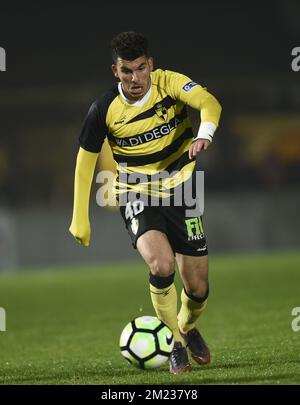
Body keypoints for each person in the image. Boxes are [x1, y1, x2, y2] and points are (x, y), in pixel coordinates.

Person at [69, 31, 222, 374]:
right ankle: (175, 343)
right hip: (137, 191)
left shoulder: (170, 83)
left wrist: (204, 134)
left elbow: (210, 103)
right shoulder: (104, 109)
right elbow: (85, 160)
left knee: (198, 289)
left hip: (184, 190)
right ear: (115, 71)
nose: (135, 78)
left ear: (150, 64)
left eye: (141, 69)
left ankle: (186, 325)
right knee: (161, 264)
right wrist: (80, 216)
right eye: (127, 71)